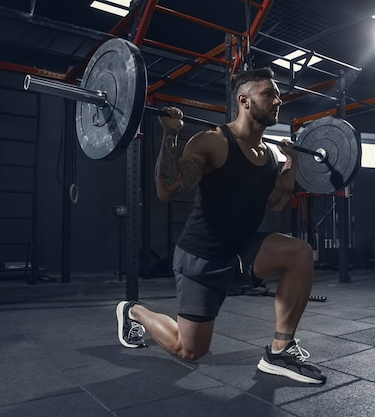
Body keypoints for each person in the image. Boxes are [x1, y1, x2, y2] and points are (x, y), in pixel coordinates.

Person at [116, 67, 325, 384]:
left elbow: (276, 202)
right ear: (244, 100)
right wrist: (171, 134)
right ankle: (134, 311)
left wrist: (292, 162)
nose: (278, 100)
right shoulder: (213, 142)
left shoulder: (268, 154)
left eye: (278, 94)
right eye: (269, 93)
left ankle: (280, 352)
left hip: (242, 250)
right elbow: (168, 190)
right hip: (202, 257)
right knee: (189, 351)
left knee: (300, 253)